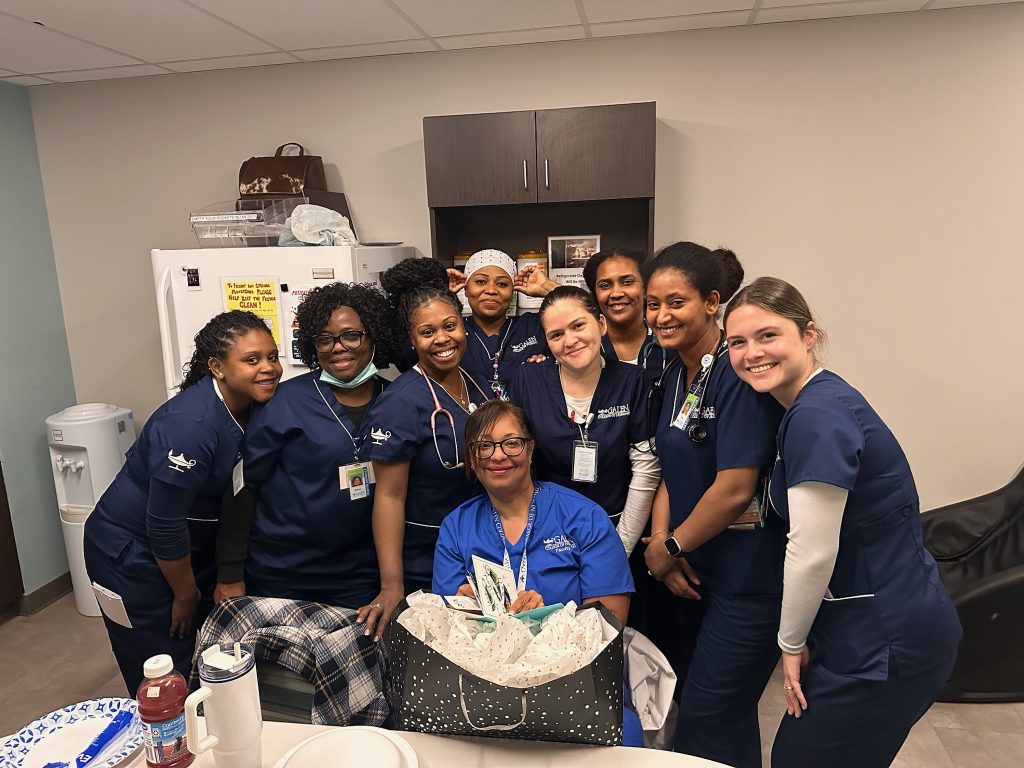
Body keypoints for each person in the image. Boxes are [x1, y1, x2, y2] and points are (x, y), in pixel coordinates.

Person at [723, 277, 962, 767]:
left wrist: (788, 643)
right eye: (738, 342)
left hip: (886, 639)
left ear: (809, 334)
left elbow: (812, 551)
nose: (752, 353)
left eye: (768, 335)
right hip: (882, 621)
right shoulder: (819, 399)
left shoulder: (816, 417)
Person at [641, 242, 785, 767]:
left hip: (747, 581)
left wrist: (672, 544)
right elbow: (669, 470)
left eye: (675, 302)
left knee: (707, 717)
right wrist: (662, 543)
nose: (661, 316)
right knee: (717, 715)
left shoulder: (735, 374)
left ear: (711, 301)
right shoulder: (678, 374)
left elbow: (736, 486)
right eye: (653, 304)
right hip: (697, 568)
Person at [84, 311, 281, 692]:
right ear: (217, 367)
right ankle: (165, 739)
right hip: (131, 553)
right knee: (160, 662)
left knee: (203, 653)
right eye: (252, 360)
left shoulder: (252, 406)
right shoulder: (190, 426)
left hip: (185, 547)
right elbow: (163, 521)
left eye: (272, 357)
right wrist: (185, 592)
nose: (269, 368)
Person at [432, 400, 642, 746]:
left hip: (578, 679)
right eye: (484, 446)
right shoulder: (457, 527)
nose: (498, 456)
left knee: (626, 740)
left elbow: (609, 626)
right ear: (471, 460)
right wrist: (470, 612)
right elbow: (447, 630)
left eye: (511, 442)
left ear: (530, 449)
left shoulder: (583, 518)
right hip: (484, 683)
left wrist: (545, 622)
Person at [213, 282, 398, 608]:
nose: (338, 347)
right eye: (325, 339)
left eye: (351, 335)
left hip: (357, 575)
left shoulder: (396, 401)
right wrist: (229, 575)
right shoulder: (284, 403)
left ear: (373, 336)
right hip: (282, 571)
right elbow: (242, 489)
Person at [358, 258, 491, 641]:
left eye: (450, 326)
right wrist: (391, 585)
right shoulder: (400, 403)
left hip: (480, 550)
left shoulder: (475, 381)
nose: (443, 339)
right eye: (427, 332)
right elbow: (389, 496)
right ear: (412, 340)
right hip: (427, 558)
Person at [505, 286, 660, 557]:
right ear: (547, 342)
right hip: (545, 535)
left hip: (618, 527)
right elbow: (516, 462)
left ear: (600, 324)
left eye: (578, 325)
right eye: (556, 335)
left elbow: (646, 471)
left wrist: (618, 549)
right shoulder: (528, 380)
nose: (570, 340)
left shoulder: (634, 381)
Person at [447, 249, 557, 397]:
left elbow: (587, 320)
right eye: (480, 282)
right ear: (466, 289)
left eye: (502, 284)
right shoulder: (450, 333)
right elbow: (407, 350)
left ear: (513, 290)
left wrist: (549, 288)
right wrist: (439, 295)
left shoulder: (534, 326)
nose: (491, 290)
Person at [582, 247, 667, 383]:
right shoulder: (582, 348)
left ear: (645, 288)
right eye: (605, 285)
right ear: (595, 294)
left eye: (627, 282)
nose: (616, 293)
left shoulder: (670, 343)